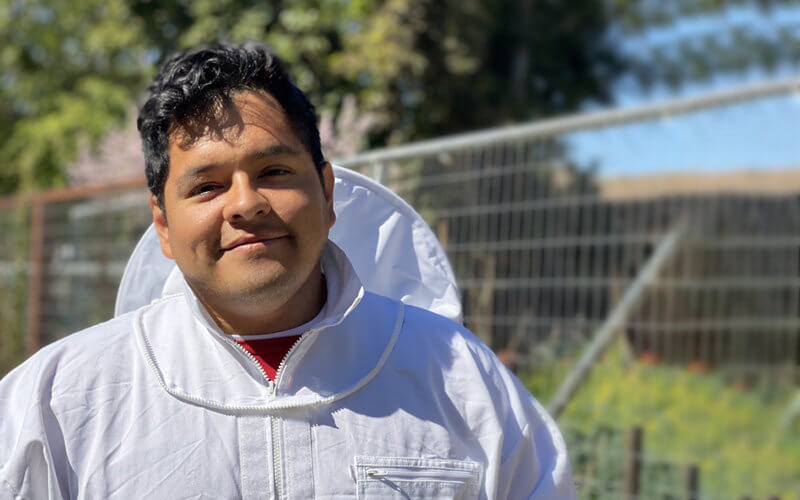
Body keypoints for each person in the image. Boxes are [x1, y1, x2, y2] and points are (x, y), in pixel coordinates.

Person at [0, 43, 576, 499]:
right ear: (163, 226)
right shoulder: (58, 401)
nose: (246, 204)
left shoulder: (459, 378)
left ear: (327, 194)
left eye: (274, 171)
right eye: (206, 186)